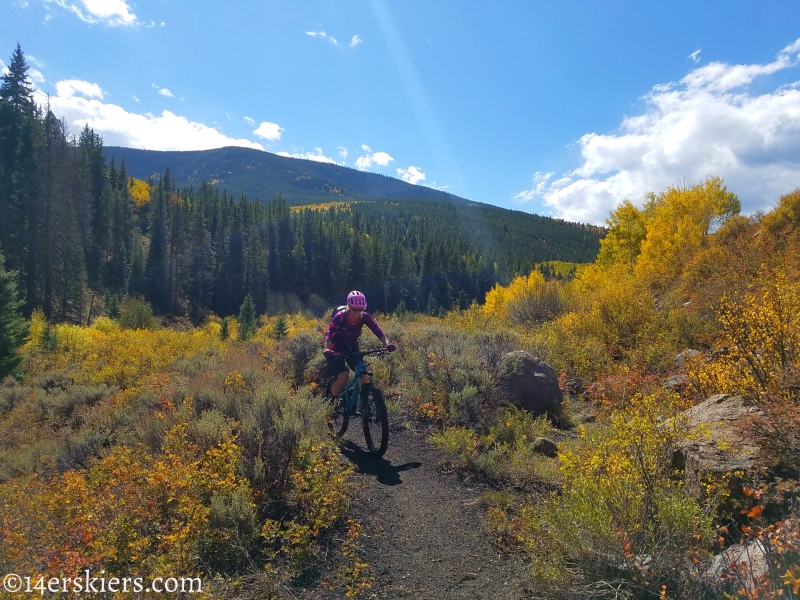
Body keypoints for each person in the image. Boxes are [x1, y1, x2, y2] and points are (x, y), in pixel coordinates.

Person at [323, 290, 395, 399]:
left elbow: (377, 330)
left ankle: (365, 404)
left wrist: (387, 343)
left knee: (362, 373)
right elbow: (330, 333)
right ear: (349, 307)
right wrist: (328, 349)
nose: (357, 312)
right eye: (354, 309)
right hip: (334, 348)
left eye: (361, 309)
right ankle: (332, 402)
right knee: (344, 376)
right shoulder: (340, 316)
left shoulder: (364, 317)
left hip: (351, 347)